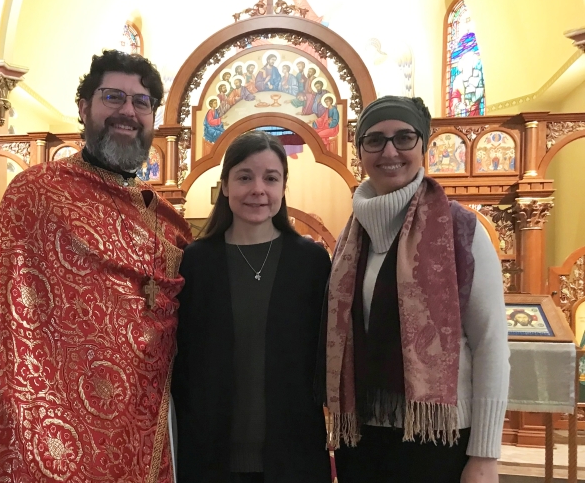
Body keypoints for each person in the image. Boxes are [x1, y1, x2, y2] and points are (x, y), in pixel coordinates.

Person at [0, 50, 192, 483]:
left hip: (144, 423)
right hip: (46, 432)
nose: (128, 111)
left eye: (141, 102)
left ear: (153, 118)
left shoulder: (165, 222)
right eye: (113, 97)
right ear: (83, 108)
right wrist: (25, 431)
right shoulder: (36, 193)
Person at [320, 96, 510, 483]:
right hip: (363, 434)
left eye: (404, 137)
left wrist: (485, 454)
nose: (389, 151)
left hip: (439, 434)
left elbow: (491, 343)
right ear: (360, 152)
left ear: (424, 145)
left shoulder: (460, 231)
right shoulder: (349, 238)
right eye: (374, 140)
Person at [173, 131, 332, 482]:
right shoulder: (194, 262)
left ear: (283, 187)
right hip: (208, 454)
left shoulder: (312, 262)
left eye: (270, 178)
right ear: (226, 186)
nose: (258, 189)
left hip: (294, 453)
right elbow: (181, 362)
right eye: (245, 177)